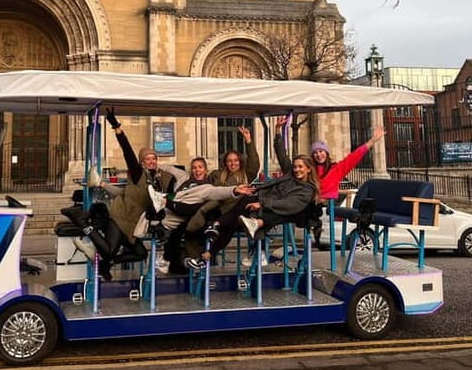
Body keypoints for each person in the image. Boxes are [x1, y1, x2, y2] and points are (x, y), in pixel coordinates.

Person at [187, 118, 320, 269]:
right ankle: (207, 252)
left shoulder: (306, 189)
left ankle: (211, 248)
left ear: (309, 169)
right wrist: (277, 131)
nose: (296, 170)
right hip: (243, 208)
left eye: (300, 167)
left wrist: (249, 142)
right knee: (233, 216)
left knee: (241, 205)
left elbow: (288, 204)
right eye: (295, 167)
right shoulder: (218, 175)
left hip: (262, 207)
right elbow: (281, 154)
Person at [66, 108, 176, 280]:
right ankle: (82, 223)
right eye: (148, 159)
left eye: (154, 158)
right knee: (109, 250)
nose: (152, 161)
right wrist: (117, 127)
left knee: (140, 253)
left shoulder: (157, 181)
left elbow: (129, 193)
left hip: (132, 225)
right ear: (142, 162)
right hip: (119, 217)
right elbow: (128, 151)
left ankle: (106, 264)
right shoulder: (138, 173)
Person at [311, 126, 385, 202]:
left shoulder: (335, 169)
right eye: (315, 152)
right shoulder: (310, 170)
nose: (318, 155)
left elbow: (354, 156)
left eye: (321, 151)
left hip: (329, 206)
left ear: (326, 153)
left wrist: (372, 141)